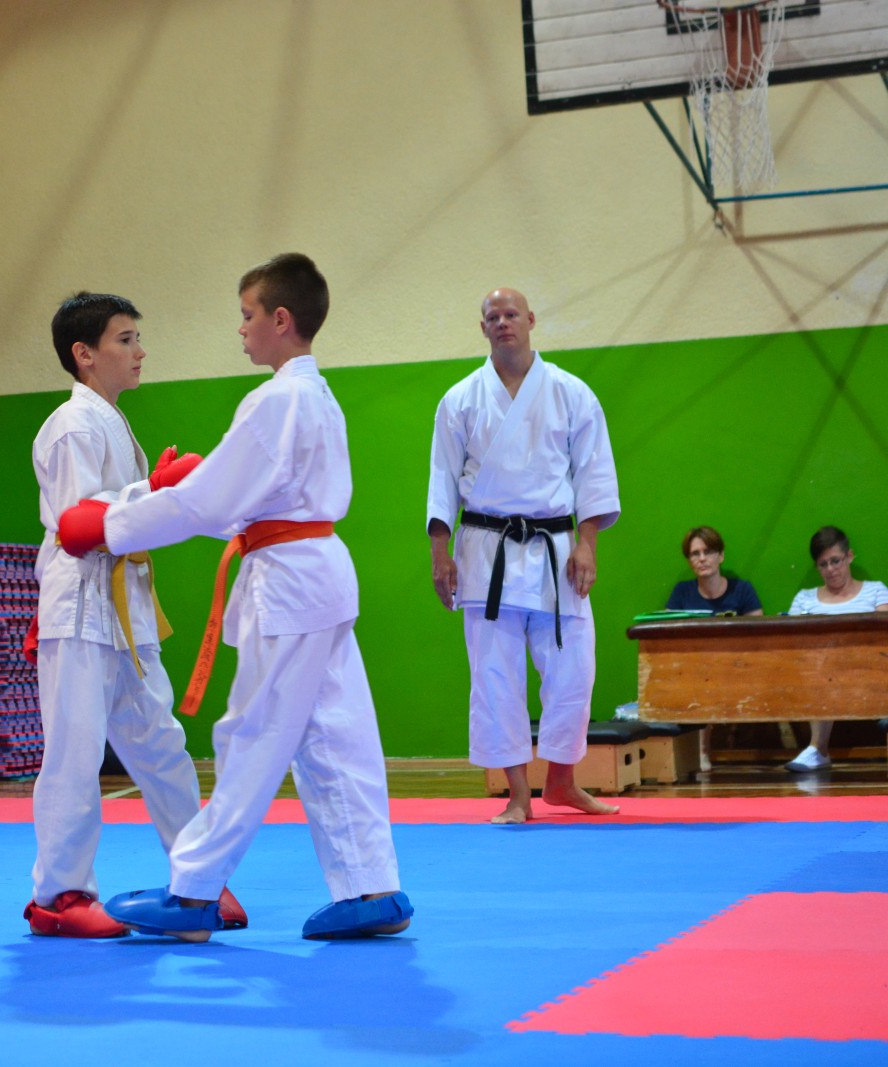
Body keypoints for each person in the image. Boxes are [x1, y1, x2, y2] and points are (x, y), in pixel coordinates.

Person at [56, 254, 411, 943]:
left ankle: (193, 891)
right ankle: (372, 886)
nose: (241, 328)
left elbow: (209, 503)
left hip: (290, 586)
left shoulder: (275, 400)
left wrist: (108, 525)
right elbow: (243, 501)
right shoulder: (318, 396)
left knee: (252, 736)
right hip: (319, 575)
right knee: (336, 735)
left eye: (247, 315)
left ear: (280, 319)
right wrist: (178, 490)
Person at [25, 291, 244, 938]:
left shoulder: (111, 422)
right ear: (84, 354)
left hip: (124, 608)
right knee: (74, 755)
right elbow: (80, 524)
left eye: (137, 338)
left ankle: (198, 879)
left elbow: (116, 511)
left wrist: (157, 491)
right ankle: (59, 897)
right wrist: (155, 491)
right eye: (125, 339)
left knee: (163, 747)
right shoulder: (73, 423)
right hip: (79, 605)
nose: (140, 351)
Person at [426, 287, 621, 825]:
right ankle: (517, 794)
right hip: (485, 551)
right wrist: (440, 553)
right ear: (483, 327)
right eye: (493, 316)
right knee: (495, 676)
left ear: (531, 320)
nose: (503, 322)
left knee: (573, 667)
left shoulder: (570, 392)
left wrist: (588, 543)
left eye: (511, 314)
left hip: (556, 548)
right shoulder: (460, 399)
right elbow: (442, 479)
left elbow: (594, 473)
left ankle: (562, 781)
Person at [782, 525, 888, 773]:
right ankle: (818, 749)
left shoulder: (876, 591)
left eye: (835, 561)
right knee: (819, 667)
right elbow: (793, 644)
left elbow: (882, 636)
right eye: (823, 564)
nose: (830, 570)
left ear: (849, 556)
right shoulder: (805, 599)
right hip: (819, 672)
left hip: (869, 670)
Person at [665, 525, 764, 770]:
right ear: (689, 561)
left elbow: (758, 634)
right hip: (696, 668)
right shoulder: (682, 593)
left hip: (739, 666)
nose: (702, 558)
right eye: (695, 554)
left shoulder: (743, 590)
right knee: (698, 676)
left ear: (721, 556)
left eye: (708, 552)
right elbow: (666, 635)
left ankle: (702, 750)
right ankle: (699, 751)